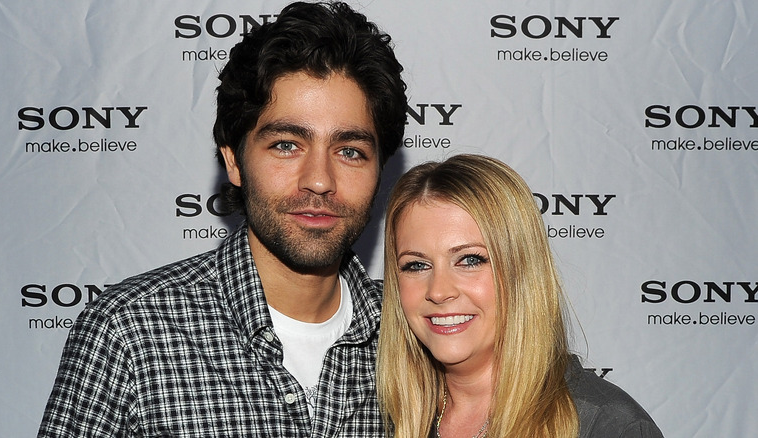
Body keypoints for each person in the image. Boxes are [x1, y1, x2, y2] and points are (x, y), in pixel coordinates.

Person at [38, 2, 406, 436]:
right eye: (287, 145)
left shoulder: (413, 331)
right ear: (233, 162)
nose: (320, 181)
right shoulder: (130, 332)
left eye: (350, 152)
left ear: (379, 171)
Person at [376, 154, 663, 438]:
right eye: (417, 265)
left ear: (521, 271)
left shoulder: (607, 426)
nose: (438, 291)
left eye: (470, 260)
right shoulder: (385, 418)